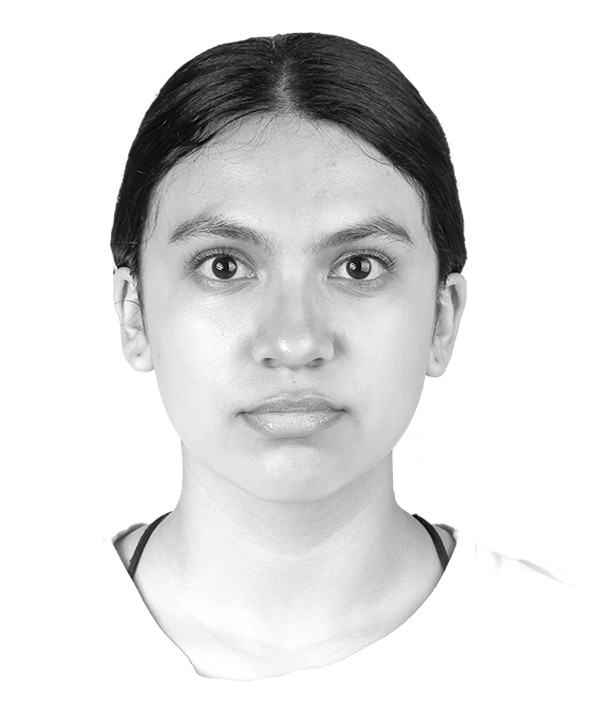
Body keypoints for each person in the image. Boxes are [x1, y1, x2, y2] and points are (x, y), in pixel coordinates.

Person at [103, 32, 589, 702]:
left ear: (441, 318)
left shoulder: (567, 654)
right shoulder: (23, 640)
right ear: (135, 314)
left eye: (358, 267)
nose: (295, 341)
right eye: (224, 266)